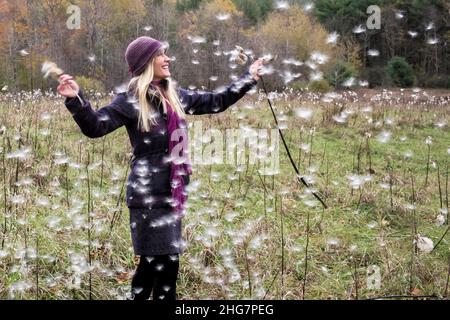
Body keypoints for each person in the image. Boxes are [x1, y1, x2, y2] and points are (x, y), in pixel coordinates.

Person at [57, 36, 263, 300]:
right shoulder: (130, 100)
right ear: (146, 62)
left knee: (160, 266)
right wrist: (76, 100)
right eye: (161, 55)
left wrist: (249, 77)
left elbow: (217, 100)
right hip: (147, 196)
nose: (167, 59)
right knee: (160, 267)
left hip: (171, 193)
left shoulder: (174, 96)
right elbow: (96, 126)